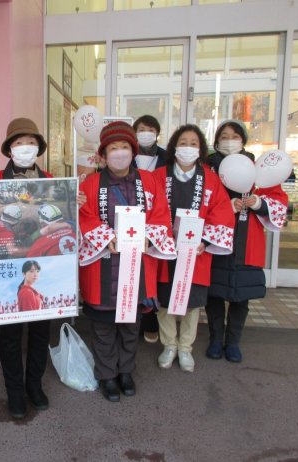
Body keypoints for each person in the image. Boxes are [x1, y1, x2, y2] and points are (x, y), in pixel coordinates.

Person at [78, 121, 176, 402]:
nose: (119, 153)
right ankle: (107, 375)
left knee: (131, 324)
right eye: (113, 148)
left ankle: (126, 371)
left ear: (133, 151)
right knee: (104, 326)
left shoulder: (150, 181)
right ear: (104, 154)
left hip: (137, 264)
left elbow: (161, 214)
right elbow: (85, 216)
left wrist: (148, 237)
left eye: (124, 147)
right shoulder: (90, 183)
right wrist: (105, 237)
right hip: (103, 264)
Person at [0, 118, 53, 420]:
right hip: (6, 263)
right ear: (9, 149)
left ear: (39, 148)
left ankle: (34, 385)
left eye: (31, 142)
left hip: (42, 262)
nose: (25, 147)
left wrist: (74, 201)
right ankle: (14, 391)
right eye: (18, 142)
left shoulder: (51, 180)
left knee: (40, 329)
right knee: (10, 332)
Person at [153, 125, 235, 373]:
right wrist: (159, 236)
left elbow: (221, 211)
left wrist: (206, 241)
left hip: (196, 250)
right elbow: (148, 207)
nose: (187, 147)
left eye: (193, 143)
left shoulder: (210, 178)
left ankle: (185, 347)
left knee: (192, 301)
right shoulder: (158, 176)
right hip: (165, 249)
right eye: (183, 142)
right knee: (165, 299)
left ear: (200, 149)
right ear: (174, 146)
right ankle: (169, 344)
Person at [205, 120, 288, 363]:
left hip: (247, 240)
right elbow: (200, 203)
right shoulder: (208, 169)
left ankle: (233, 342)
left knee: (242, 294)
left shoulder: (258, 168)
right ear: (216, 141)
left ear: (243, 140)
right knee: (214, 293)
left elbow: (278, 200)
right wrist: (226, 206)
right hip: (215, 238)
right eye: (224, 136)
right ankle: (215, 339)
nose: (229, 141)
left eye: (235, 136)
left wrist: (259, 203)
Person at [132, 115, 168, 344]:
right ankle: (132, 319)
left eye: (151, 129)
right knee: (132, 271)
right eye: (142, 129)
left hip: (157, 217)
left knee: (152, 272)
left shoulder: (166, 157)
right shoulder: (125, 154)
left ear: (157, 133)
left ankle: (150, 320)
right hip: (129, 219)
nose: (146, 133)